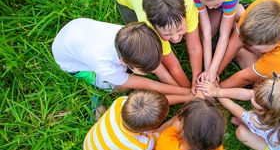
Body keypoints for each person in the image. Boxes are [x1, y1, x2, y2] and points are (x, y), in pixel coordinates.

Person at [52, 18, 191, 118]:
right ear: (123, 62)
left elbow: (155, 74)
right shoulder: (105, 65)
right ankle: (97, 86)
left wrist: (187, 92)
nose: (154, 69)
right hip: (71, 62)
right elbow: (150, 84)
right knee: (120, 88)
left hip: (77, 32)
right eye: (147, 70)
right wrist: (187, 94)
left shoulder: (132, 38)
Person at [113, 0, 203, 93]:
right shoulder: (147, 26)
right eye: (167, 34)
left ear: (185, 8)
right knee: (137, 39)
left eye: (180, 29)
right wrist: (188, 90)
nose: (176, 38)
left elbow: (194, 46)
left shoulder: (189, 6)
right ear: (151, 24)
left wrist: (196, 81)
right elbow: (174, 66)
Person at [197, 75, 280, 150]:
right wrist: (218, 91)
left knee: (241, 132)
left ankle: (254, 133)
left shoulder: (257, 122)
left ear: (266, 112)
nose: (251, 94)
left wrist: (216, 92)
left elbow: (233, 107)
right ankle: (249, 126)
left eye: (255, 98)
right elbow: (249, 94)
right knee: (246, 121)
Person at [187, 0, 243, 82]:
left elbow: (224, 36)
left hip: (226, 0)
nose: (211, 8)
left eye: (215, 4)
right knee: (204, 32)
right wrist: (207, 69)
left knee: (243, 17)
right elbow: (206, 33)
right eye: (208, 5)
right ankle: (211, 5)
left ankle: (229, 12)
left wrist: (213, 70)